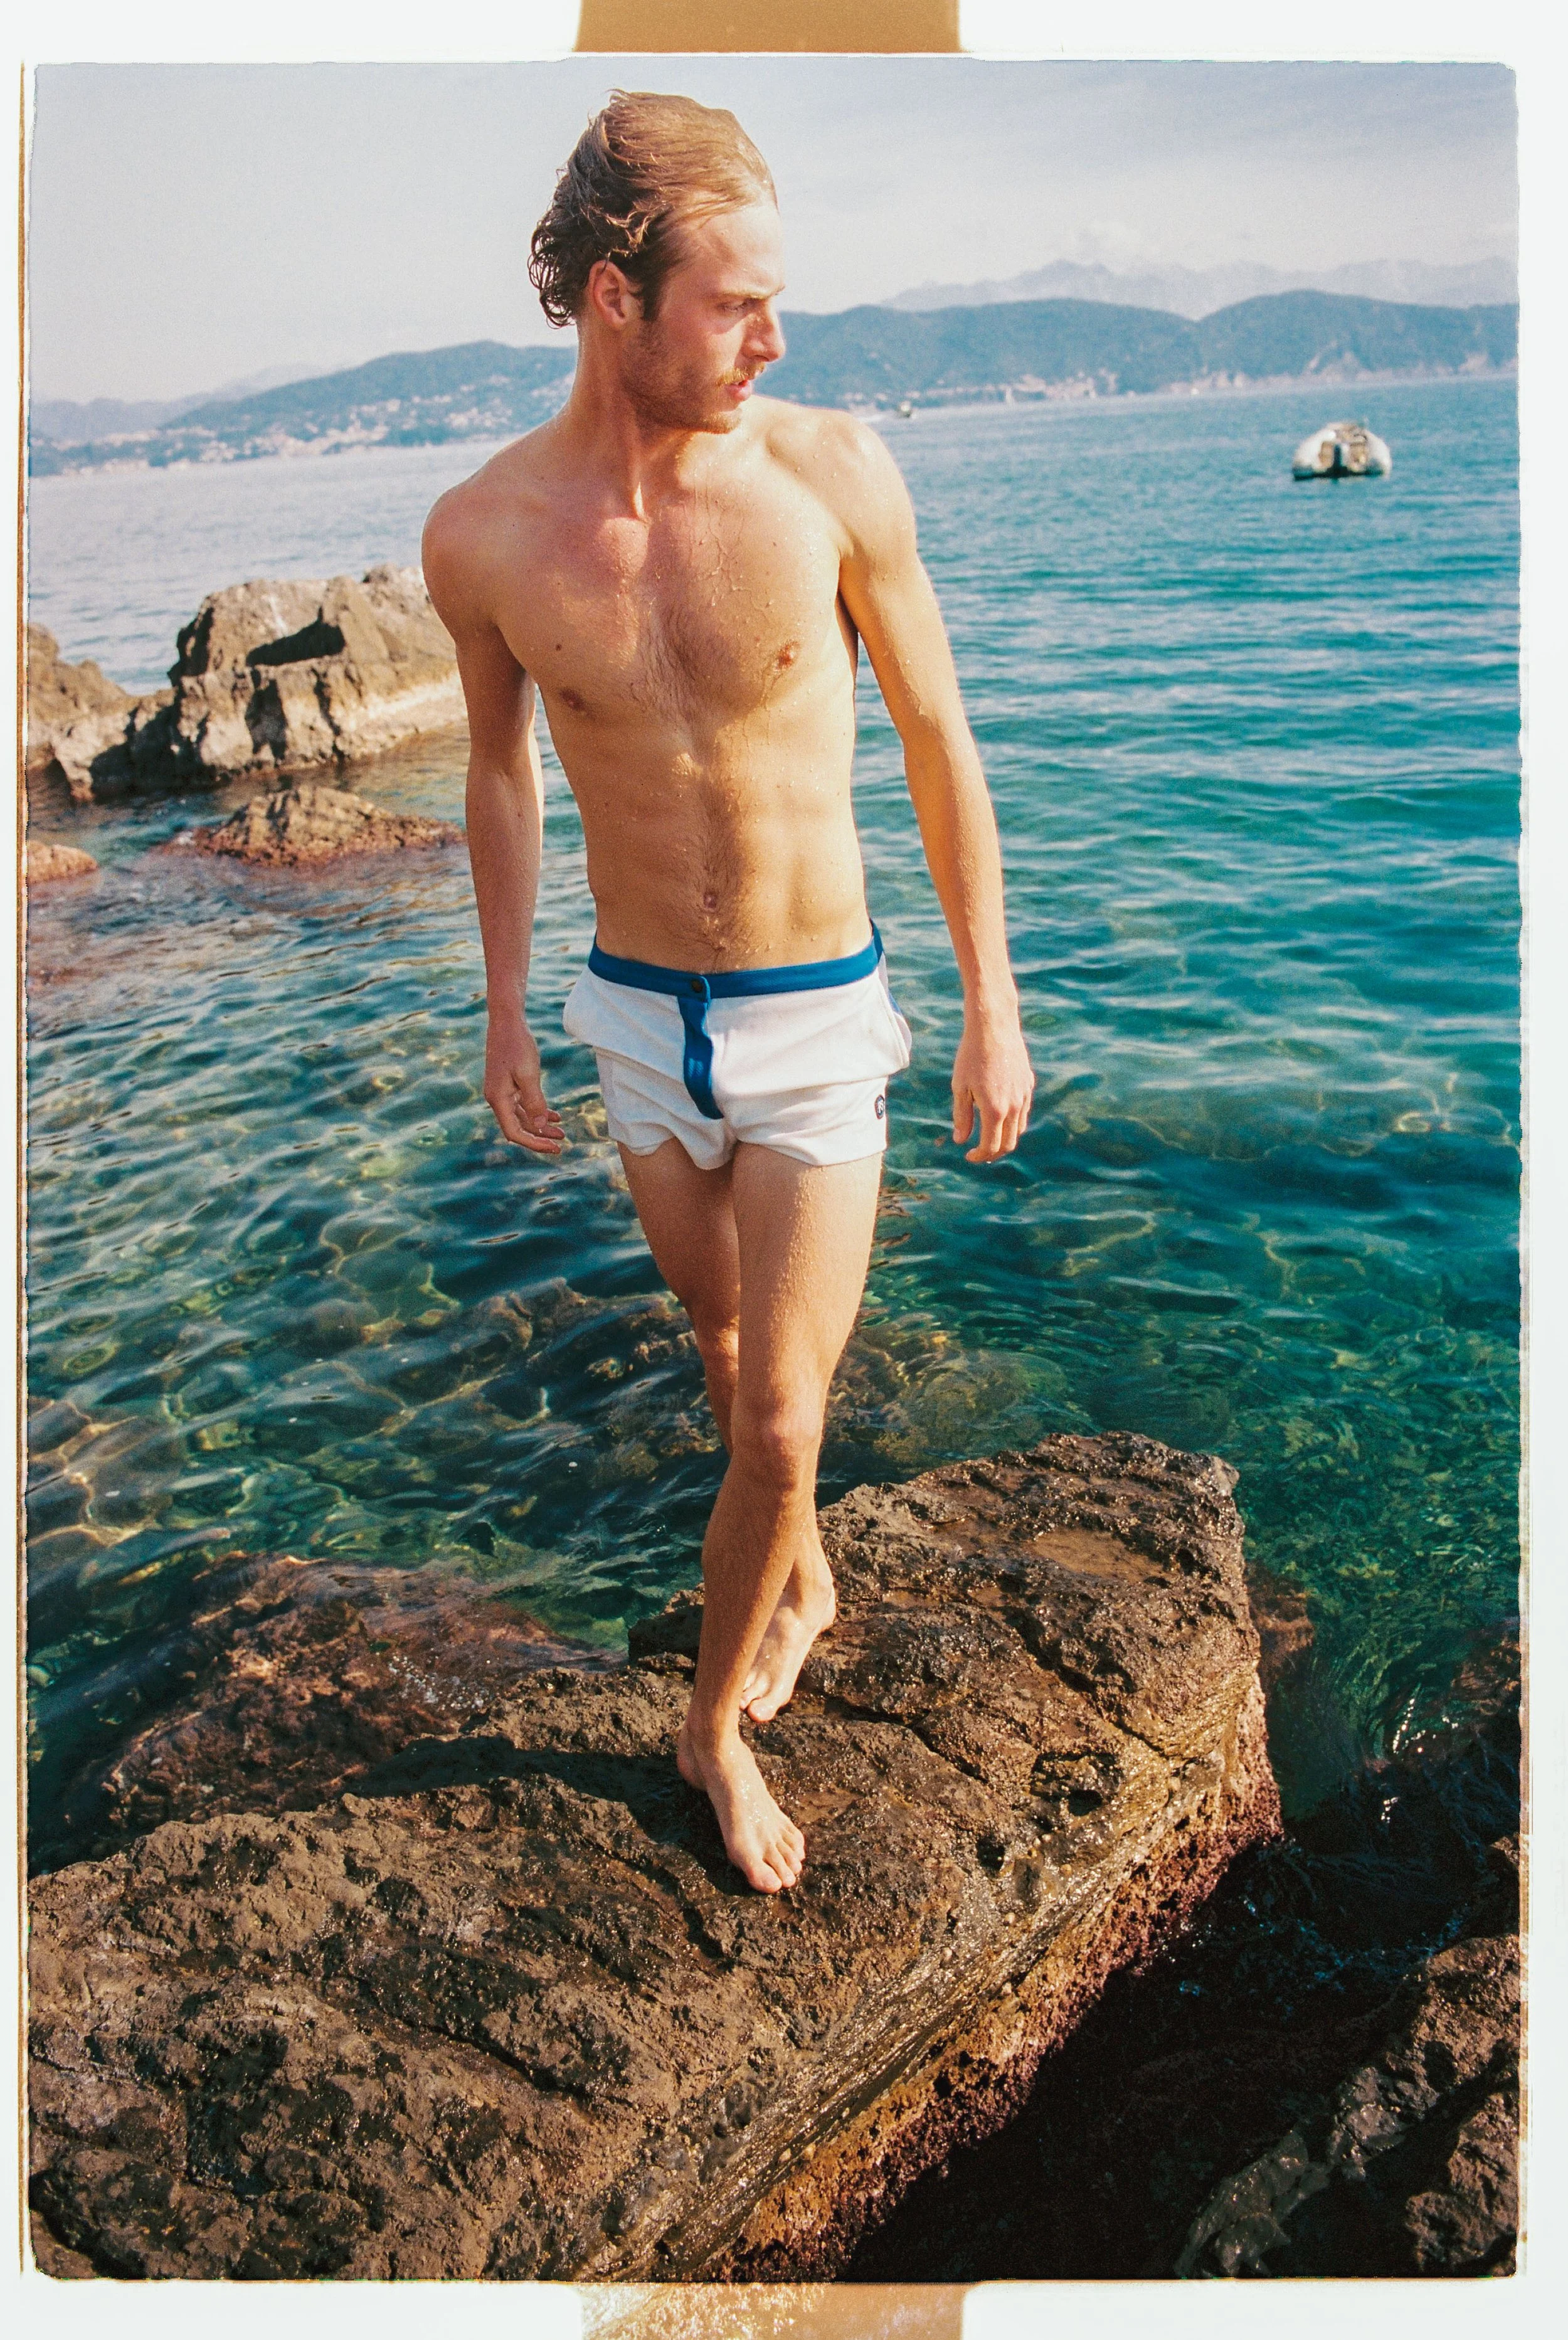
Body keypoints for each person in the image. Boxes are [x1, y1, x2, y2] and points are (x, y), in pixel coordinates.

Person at [423, 91, 1034, 1895]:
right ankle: (805, 1568)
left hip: (813, 1022)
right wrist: (502, 1001)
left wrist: (990, 999)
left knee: (779, 1421)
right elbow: (496, 775)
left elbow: (937, 739)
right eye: (732, 303)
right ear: (616, 295)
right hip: (632, 1018)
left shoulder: (829, 474)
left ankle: (701, 1734)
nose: (774, 338)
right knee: (717, 1350)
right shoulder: (482, 536)